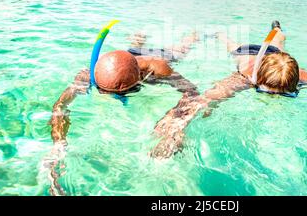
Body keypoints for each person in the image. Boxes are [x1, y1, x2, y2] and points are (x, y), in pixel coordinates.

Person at [150, 21, 307, 159]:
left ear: (296, 84)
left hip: (274, 52)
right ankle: (219, 34)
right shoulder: (244, 77)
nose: (276, 99)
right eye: (266, 92)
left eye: (286, 94)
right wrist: (174, 132)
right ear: (257, 83)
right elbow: (198, 101)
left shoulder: (300, 75)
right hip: (246, 54)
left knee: (280, 41)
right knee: (232, 46)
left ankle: (277, 29)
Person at [46, 29, 199, 195]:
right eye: (103, 90)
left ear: (140, 78)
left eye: (119, 94)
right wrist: (58, 143)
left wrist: (174, 122)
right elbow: (60, 106)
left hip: (158, 57)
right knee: (133, 48)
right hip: (125, 60)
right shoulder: (89, 75)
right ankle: (139, 39)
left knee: (180, 50)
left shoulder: (158, 69)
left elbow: (192, 92)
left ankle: (195, 34)